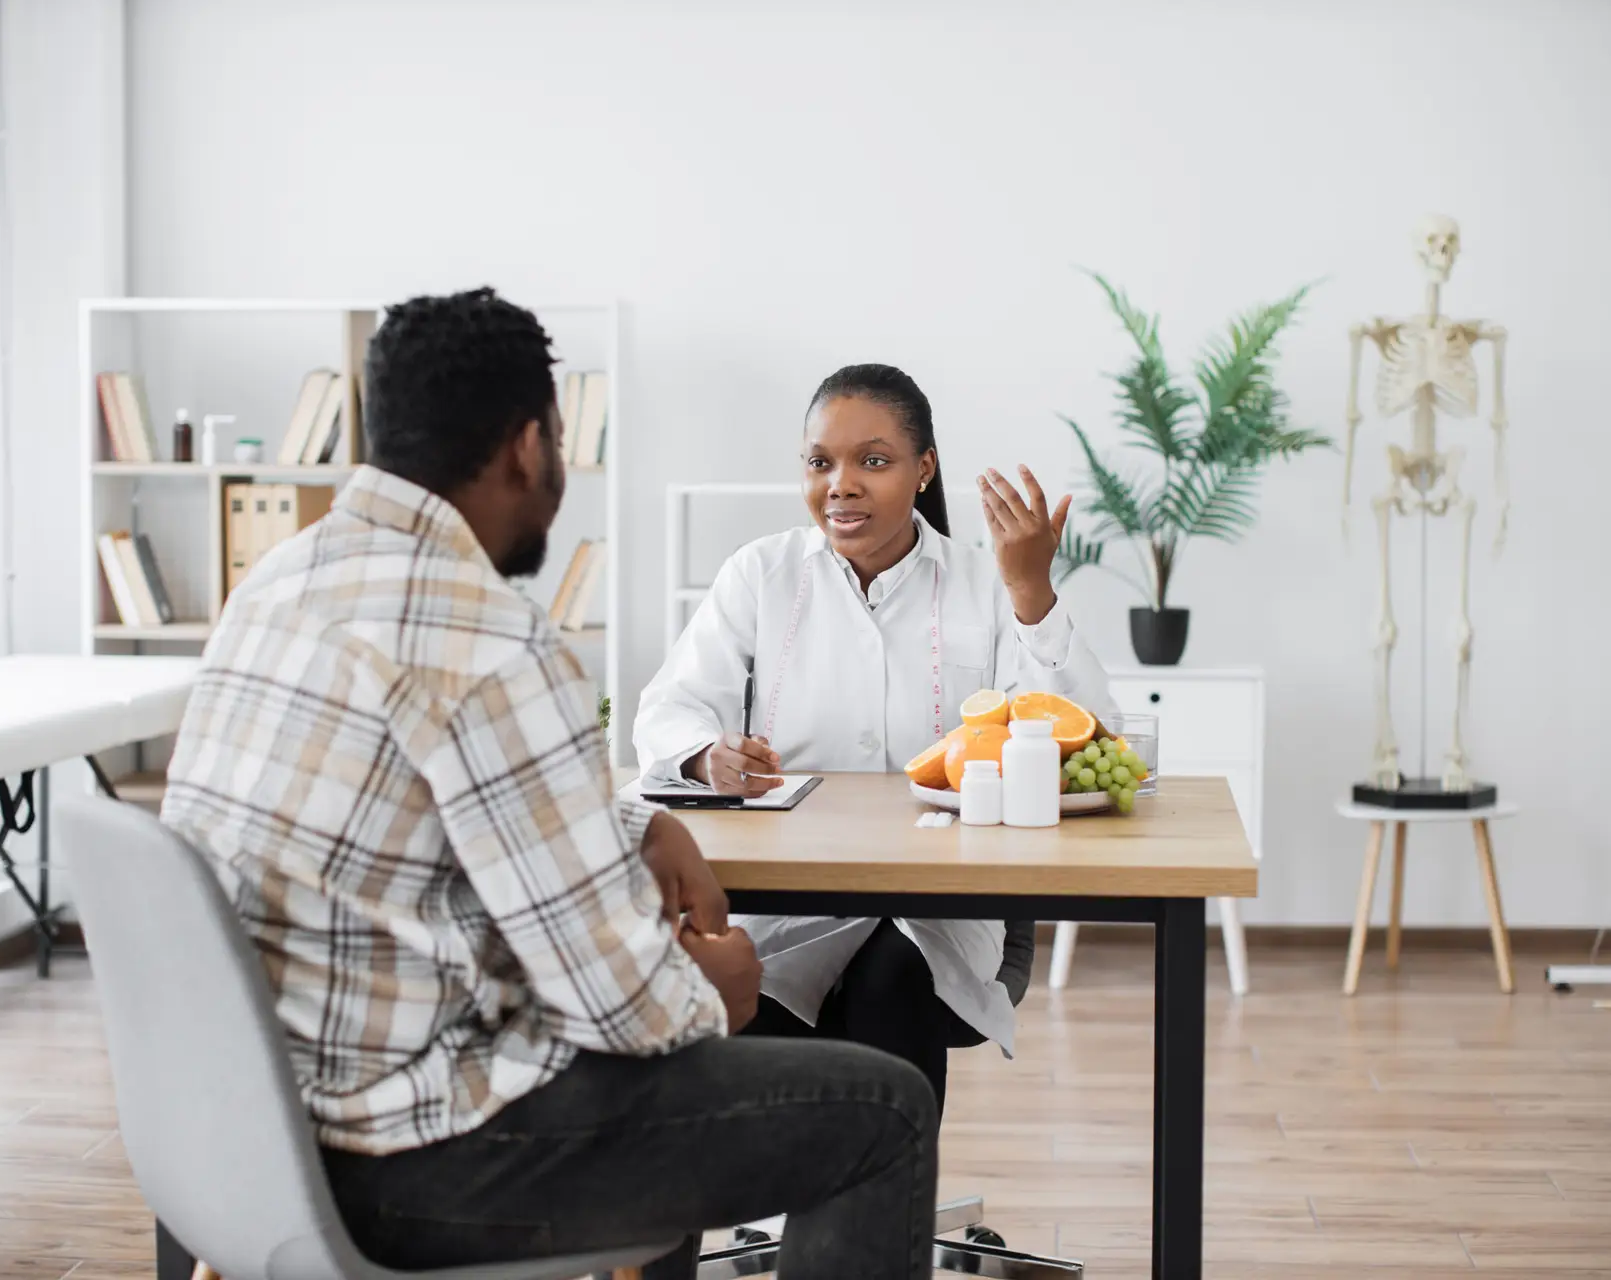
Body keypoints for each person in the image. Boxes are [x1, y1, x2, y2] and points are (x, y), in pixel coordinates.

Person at [161, 295, 939, 1280]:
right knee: (885, 1106)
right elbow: (626, 1010)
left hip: (237, 1136)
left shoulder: (276, 582)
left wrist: (631, 820)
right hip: (413, 1159)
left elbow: (429, 781)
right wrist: (725, 986)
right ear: (531, 444)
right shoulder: (488, 638)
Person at [634, 363, 1117, 1113]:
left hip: (938, 907)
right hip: (791, 899)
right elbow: (671, 708)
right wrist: (706, 752)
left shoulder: (985, 580)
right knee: (753, 982)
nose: (842, 484)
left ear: (925, 469)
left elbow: (1078, 737)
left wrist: (1032, 593)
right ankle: (828, 1217)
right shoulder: (760, 574)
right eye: (821, 462)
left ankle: (876, 1225)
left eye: (875, 461)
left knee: (890, 974)